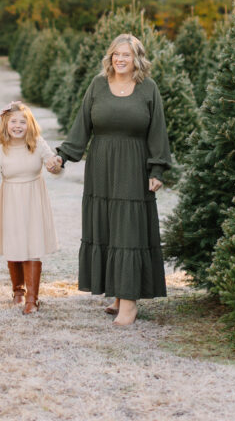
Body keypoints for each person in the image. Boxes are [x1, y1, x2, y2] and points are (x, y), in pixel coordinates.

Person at [55, 33, 172, 326]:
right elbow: (82, 124)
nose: (121, 59)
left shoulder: (148, 88)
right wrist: (63, 156)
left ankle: (130, 303)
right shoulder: (97, 85)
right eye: (116, 54)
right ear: (110, 57)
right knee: (108, 228)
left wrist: (157, 169)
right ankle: (118, 295)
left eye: (127, 55)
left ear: (137, 59)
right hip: (101, 166)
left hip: (133, 166)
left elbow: (158, 129)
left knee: (129, 230)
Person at [0, 100, 61, 314]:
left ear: (30, 125)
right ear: (5, 124)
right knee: (15, 244)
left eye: (22, 122)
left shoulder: (37, 143)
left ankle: (32, 300)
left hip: (34, 198)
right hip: (12, 200)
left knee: (33, 246)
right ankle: (18, 291)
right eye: (13, 121)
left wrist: (55, 165)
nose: (17, 126)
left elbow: (52, 163)